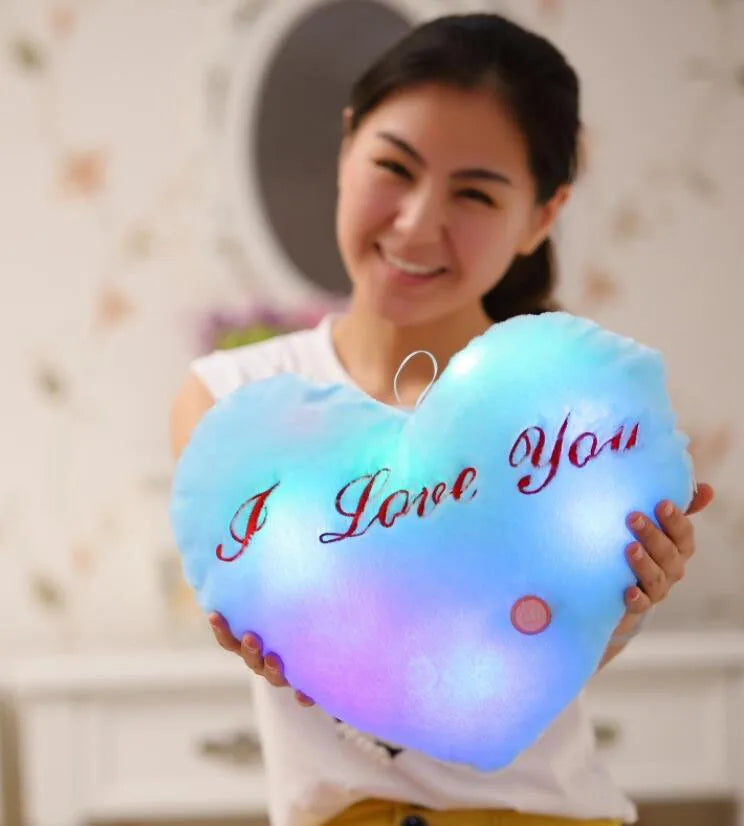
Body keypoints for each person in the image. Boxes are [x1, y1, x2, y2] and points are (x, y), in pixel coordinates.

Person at [169, 13, 714, 826]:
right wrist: (266, 623)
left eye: (475, 193)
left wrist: (627, 600)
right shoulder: (235, 402)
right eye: (395, 167)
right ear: (346, 149)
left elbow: (533, 654)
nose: (418, 223)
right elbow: (282, 605)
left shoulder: (571, 413)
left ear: (541, 215)